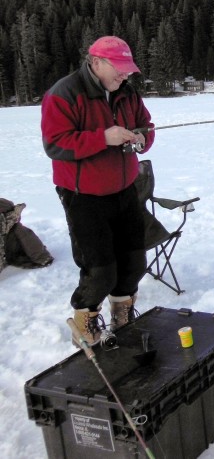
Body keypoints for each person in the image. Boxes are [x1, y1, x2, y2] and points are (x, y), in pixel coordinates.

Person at [41, 36, 155, 346]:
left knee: (134, 261)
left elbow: (146, 125)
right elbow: (55, 143)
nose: (124, 75)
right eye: (118, 69)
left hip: (124, 189)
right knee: (100, 268)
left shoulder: (128, 93)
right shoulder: (64, 94)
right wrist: (103, 138)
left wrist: (142, 139)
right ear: (96, 63)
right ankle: (85, 322)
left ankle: (122, 312)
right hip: (83, 196)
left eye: (127, 70)